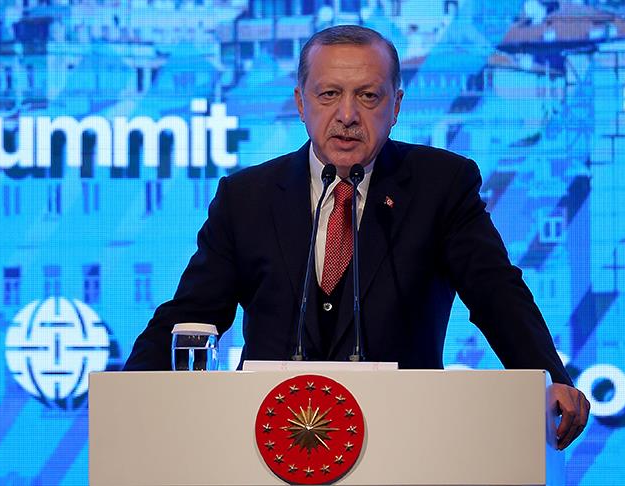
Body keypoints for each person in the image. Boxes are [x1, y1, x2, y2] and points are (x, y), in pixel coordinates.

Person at [123, 25, 589, 449]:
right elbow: (192, 314)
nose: (347, 115)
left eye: (368, 96)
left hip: (406, 441)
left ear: (396, 106)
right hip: (266, 443)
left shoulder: (440, 186)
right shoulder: (247, 197)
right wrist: (128, 396)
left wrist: (549, 376)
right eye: (329, 94)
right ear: (301, 102)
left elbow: (496, 293)